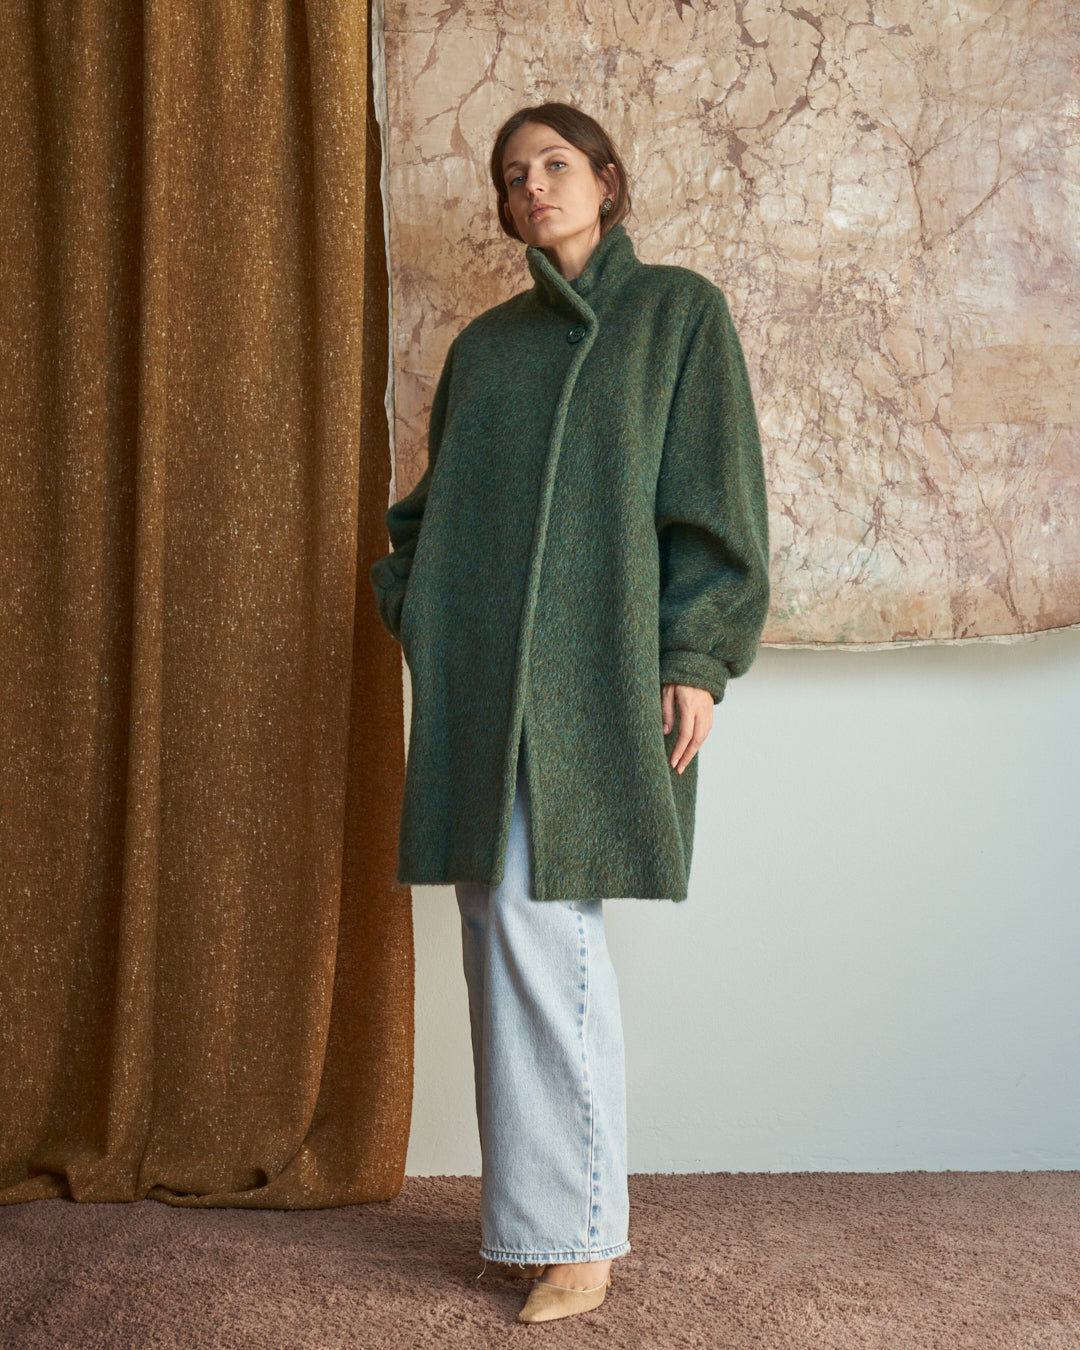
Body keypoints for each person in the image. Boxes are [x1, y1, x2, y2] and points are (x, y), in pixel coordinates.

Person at [370, 102, 770, 1324]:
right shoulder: (486, 350)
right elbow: (424, 518)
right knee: (495, 922)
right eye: (512, 175)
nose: (532, 187)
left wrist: (694, 654)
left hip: (595, 671)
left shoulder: (677, 314)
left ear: (605, 177)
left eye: (553, 164)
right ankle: (539, 1224)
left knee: (549, 926)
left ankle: (577, 1236)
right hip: (483, 680)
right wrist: (418, 607)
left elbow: (713, 499)